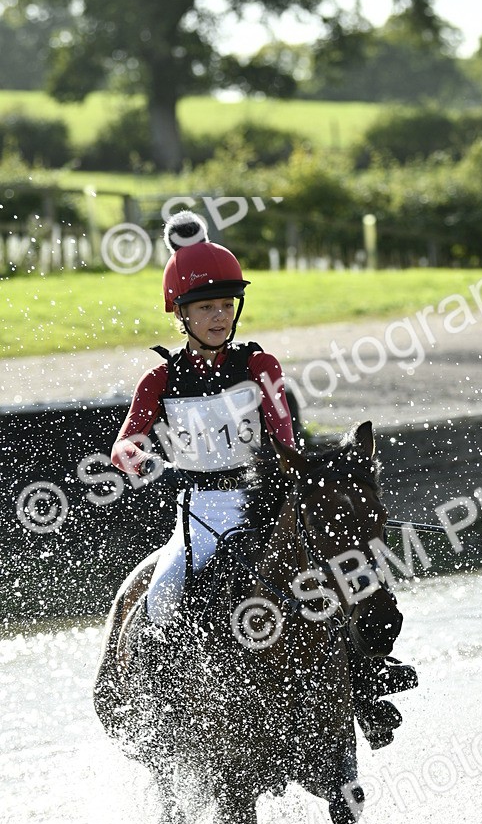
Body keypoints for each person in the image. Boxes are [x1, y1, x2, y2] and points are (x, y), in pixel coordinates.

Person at [110, 209, 414, 748]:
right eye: (206, 307)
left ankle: (367, 682)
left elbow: (283, 434)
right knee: (163, 596)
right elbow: (128, 438)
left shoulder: (260, 366)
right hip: (200, 514)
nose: (219, 315)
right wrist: (132, 452)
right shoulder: (158, 379)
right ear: (181, 314)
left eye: (226, 304)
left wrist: (289, 476)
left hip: (266, 500)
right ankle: (165, 708)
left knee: (339, 572)